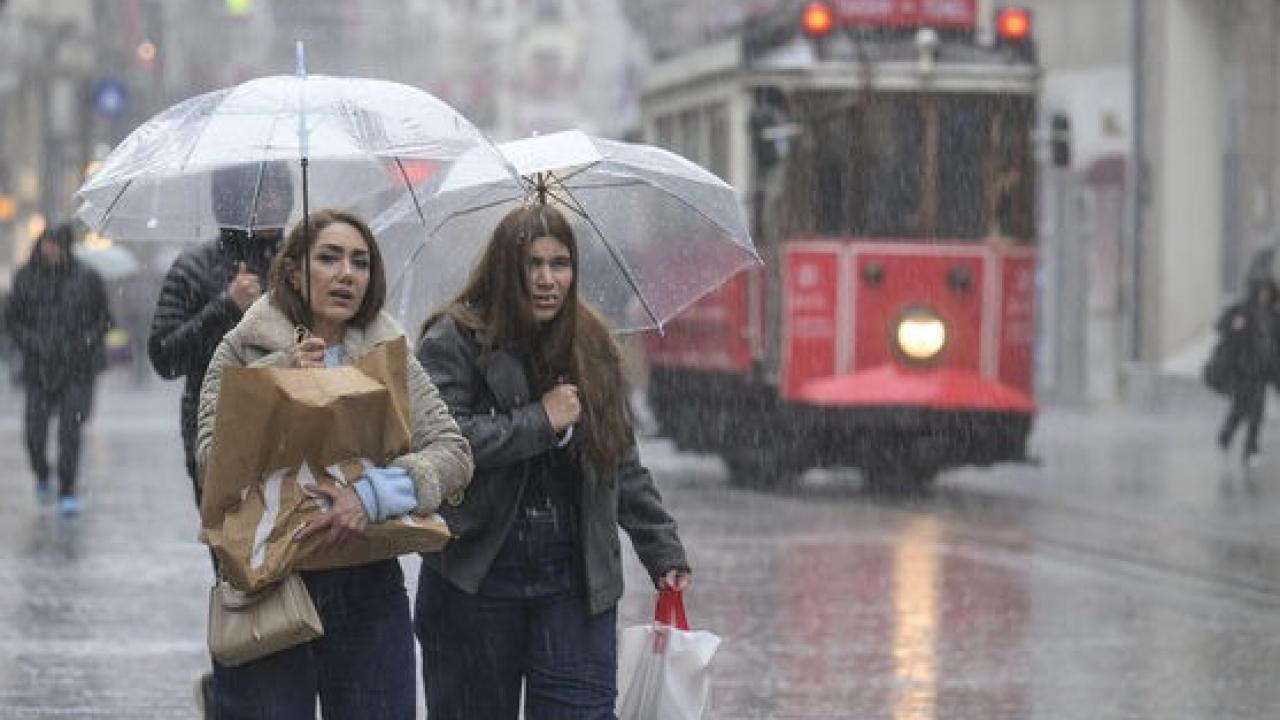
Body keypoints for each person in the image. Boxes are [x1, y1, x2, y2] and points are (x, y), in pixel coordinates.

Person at [415, 203, 692, 720]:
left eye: (559, 264)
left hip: (574, 577)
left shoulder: (592, 344)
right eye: (532, 264)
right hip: (477, 574)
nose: (547, 280)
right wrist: (539, 421)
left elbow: (619, 458)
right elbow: (445, 443)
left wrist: (662, 548)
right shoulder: (453, 339)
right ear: (505, 267)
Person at [195, 209, 474, 718]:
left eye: (360, 262)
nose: (347, 273)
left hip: (367, 581)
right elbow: (213, 465)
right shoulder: (243, 347)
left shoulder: (389, 353)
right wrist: (278, 382)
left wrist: (373, 495)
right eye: (328, 258)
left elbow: (452, 453)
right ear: (293, 271)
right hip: (269, 585)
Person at [147, 161, 293, 716]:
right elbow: (164, 355)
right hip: (218, 443)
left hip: (292, 437)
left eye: (280, 190)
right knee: (236, 570)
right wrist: (224, 307)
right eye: (259, 193)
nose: (272, 202)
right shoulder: (195, 268)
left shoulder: (300, 263)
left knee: (290, 571)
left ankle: (275, 689)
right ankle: (233, 690)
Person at [4, 222, 111, 515]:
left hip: (75, 369)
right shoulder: (26, 277)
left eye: (56, 244)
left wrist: (83, 342)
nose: (50, 249)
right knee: (34, 433)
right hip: (38, 368)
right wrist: (32, 342)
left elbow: (104, 319)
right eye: (46, 243)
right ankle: (42, 473)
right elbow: (11, 320)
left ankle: (67, 489)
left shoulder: (87, 278)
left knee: (69, 432)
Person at [1215, 274, 1280, 467]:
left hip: (1263, 371)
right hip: (1244, 370)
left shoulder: (1274, 316)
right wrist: (1235, 328)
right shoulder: (1243, 310)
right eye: (1262, 290)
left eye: (1268, 291)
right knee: (1241, 408)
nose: (1264, 295)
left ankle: (1249, 448)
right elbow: (1223, 326)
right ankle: (1228, 435)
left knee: (1256, 411)